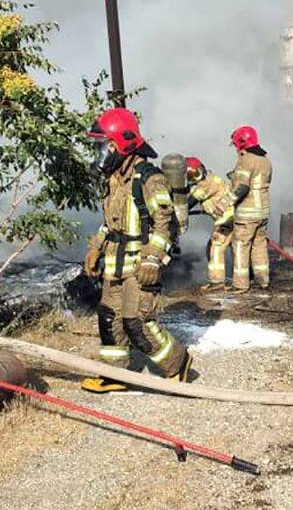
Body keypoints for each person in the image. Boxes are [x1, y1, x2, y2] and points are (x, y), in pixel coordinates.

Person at [81, 108, 193, 393]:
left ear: (123, 143)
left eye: (104, 146)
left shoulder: (149, 179)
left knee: (137, 322)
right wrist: (95, 248)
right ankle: (115, 375)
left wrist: (153, 260)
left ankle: (177, 364)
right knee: (109, 317)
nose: (100, 153)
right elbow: (111, 223)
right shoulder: (114, 178)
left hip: (140, 261)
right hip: (114, 262)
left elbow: (163, 223)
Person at [228, 126, 272, 294]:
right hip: (263, 211)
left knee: (240, 245)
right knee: (259, 245)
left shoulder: (246, 160)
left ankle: (240, 284)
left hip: (247, 212)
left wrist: (226, 203)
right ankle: (263, 280)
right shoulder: (266, 160)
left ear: (241, 143)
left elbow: (242, 188)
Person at [184, 157, 236, 292]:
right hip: (229, 217)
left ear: (203, 169)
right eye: (190, 176)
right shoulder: (208, 180)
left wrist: (177, 210)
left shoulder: (207, 183)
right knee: (222, 247)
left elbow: (191, 202)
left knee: (216, 245)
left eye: (196, 174)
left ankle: (217, 281)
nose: (195, 178)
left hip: (229, 218)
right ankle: (237, 278)